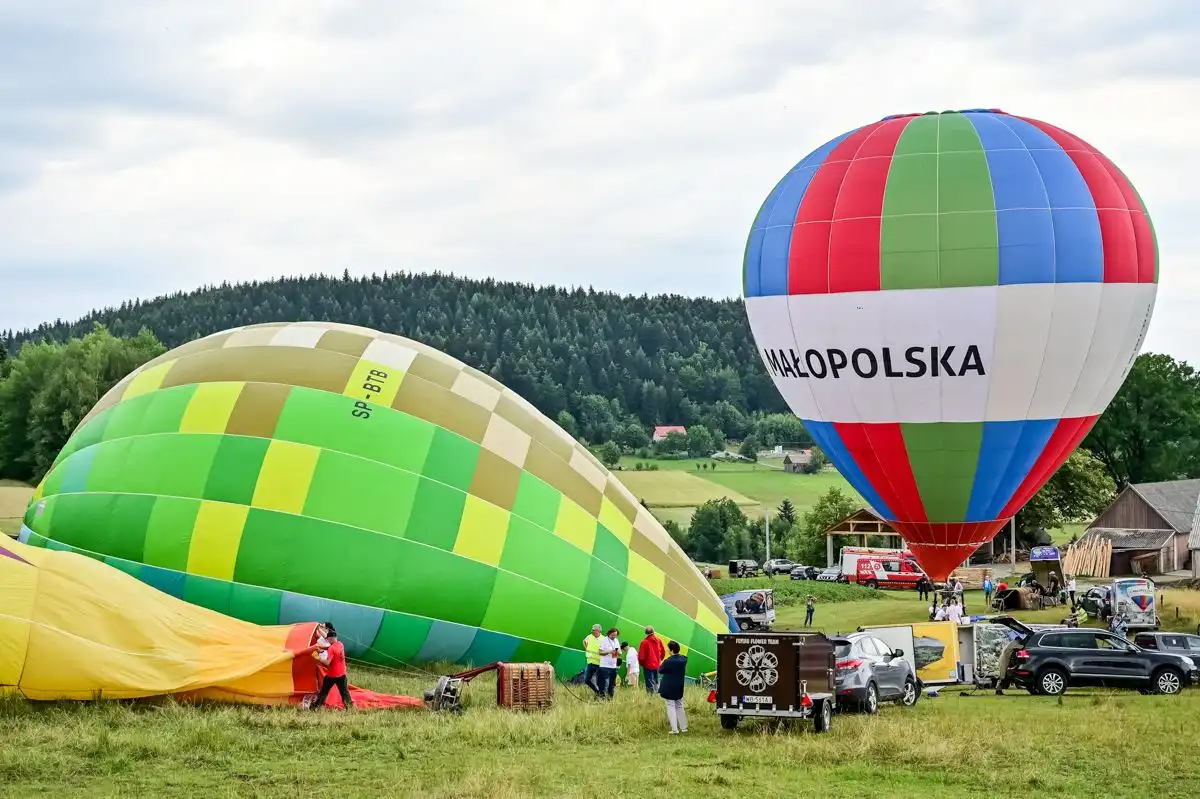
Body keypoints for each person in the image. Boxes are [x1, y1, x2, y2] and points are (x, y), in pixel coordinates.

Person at [312, 623, 353, 710]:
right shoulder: (340, 644)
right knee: (344, 692)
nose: (327, 640)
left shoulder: (331, 649)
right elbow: (331, 647)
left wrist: (318, 658)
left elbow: (327, 663)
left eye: (328, 639)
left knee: (324, 691)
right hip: (342, 674)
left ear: (330, 638)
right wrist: (323, 648)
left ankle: (316, 706)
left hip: (332, 675)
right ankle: (350, 707)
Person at [658, 640, 688, 734]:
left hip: (669, 687)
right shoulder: (683, 659)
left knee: (670, 706)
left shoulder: (668, 661)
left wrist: (662, 662)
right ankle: (683, 727)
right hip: (679, 686)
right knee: (679, 705)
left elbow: (660, 670)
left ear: (671, 650)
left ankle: (674, 729)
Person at [639, 627, 666, 695]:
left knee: (649, 681)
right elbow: (663, 653)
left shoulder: (644, 642)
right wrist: (659, 661)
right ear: (654, 631)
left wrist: (642, 664)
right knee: (656, 680)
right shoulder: (659, 640)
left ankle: (650, 696)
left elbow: (641, 657)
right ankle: (657, 694)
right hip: (657, 665)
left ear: (646, 633)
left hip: (648, 665)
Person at [597, 627, 621, 699]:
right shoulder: (605, 640)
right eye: (612, 635)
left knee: (612, 684)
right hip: (605, 666)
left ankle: (610, 699)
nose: (614, 636)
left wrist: (618, 652)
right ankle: (602, 698)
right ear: (609, 634)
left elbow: (619, 651)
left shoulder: (616, 640)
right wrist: (609, 651)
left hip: (613, 666)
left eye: (615, 635)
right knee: (604, 684)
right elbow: (600, 652)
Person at [583, 624, 603, 696]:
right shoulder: (589, 637)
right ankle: (597, 692)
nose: (592, 631)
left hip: (599, 663)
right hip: (590, 662)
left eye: (593, 630)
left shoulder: (603, 639)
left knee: (599, 681)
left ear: (598, 630)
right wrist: (586, 649)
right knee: (587, 680)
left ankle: (601, 695)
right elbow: (584, 641)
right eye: (592, 629)